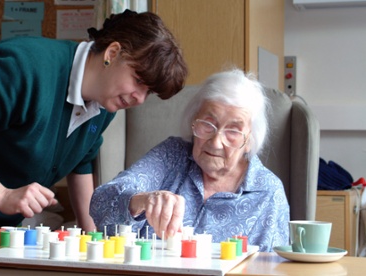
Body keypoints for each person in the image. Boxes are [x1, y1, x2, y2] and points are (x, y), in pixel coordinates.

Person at [0, 9, 187, 250]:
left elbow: (82, 160)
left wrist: (91, 235)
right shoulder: (23, 67)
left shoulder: (105, 103)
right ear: (112, 53)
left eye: (148, 92)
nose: (139, 98)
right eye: (139, 81)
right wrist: (1, 195)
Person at [90, 69, 290, 252]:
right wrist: (142, 200)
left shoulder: (268, 193)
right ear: (192, 121)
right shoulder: (171, 156)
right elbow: (101, 201)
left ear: (249, 141)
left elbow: (272, 267)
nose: (216, 142)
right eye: (208, 124)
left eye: (233, 131)